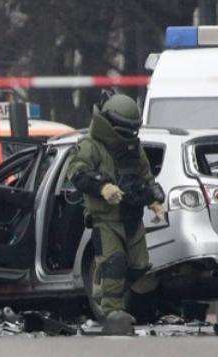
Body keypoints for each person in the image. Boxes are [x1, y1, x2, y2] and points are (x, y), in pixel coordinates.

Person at [67, 91, 165, 334]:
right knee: (114, 262)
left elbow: (145, 175)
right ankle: (111, 310)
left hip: (132, 216)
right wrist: (103, 186)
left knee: (140, 265)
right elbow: (76, 172)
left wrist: (154, 201)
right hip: (106, 219)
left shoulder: (134, 147)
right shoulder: (90, 146)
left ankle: (107, 290)